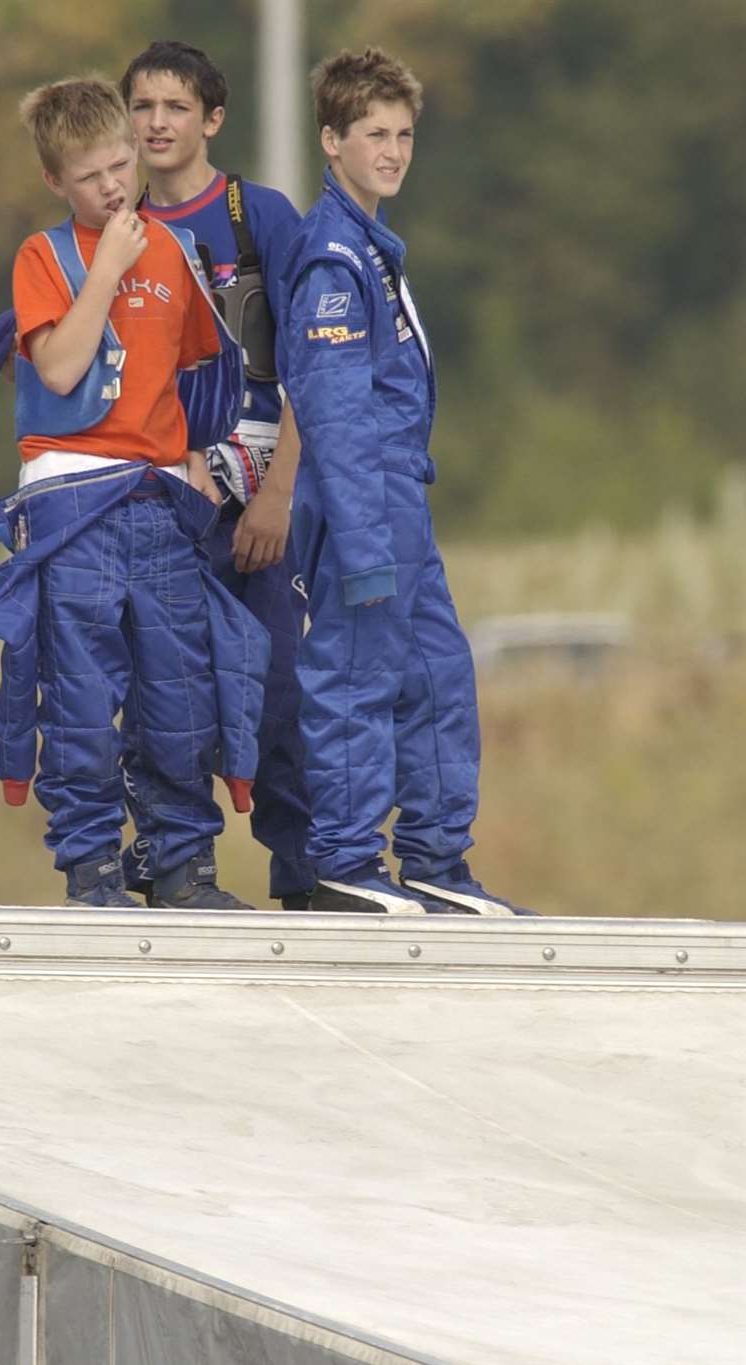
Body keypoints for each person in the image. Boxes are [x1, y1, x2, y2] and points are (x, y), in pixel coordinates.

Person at [0, 75, 269, 908]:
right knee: (77, 699)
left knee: (182, 692)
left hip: (160, 502)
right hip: (73, 506)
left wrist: (201, 466)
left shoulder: (176, 255)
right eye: (89, 176)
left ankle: (182, 866)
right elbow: (64, 366)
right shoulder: (46, 256)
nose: (111, 187)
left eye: (120, 166)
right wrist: (106, 267)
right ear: (55, 183)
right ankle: (93, 869)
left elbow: (193, 378)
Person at [279, 48, 535, 916]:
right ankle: (346, 858)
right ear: (331, 141)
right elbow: (337, 418)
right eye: (374, 134)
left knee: (437, 676)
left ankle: (433, 857)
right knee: (355, 673)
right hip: (364, 500)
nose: (392, 150)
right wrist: (361, 540)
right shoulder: (333, 260)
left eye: (404, 134)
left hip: (403, 501)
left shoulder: (375, 247)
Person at [116, 40, 314, 911]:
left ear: (212, 119)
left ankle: (310, 876)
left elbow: (314, 366)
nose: (159, 123)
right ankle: (174, 865)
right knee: (165, 691)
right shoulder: (114, 223)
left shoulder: (256, 215)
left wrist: (276, 496)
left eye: (176, 108)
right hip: (157, 503)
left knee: (282, 692)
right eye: (144, 107)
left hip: (259, 505)